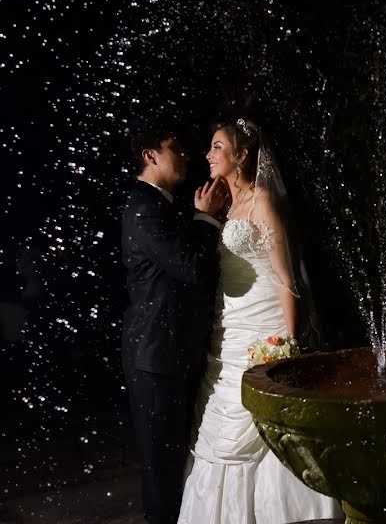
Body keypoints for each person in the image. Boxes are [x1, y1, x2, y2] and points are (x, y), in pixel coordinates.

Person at [178, 118, 342, 524]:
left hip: (264, 326)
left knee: (265, 416)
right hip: (228, 327)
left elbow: (287, 280)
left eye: (217, 147)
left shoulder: (264, 200)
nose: (208, 155)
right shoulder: (227, 206)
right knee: (220, 418)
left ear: (242, 155)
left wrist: (287, 341)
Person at [121, 124, 228, 523]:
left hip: (170, 351)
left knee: (174, 461)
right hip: (155, 356)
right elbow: (193, 268)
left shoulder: (161, 204)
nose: (185, 155)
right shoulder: (143, 207)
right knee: (162, 469)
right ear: (151, 155)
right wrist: (204, 220)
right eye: (175, 148)